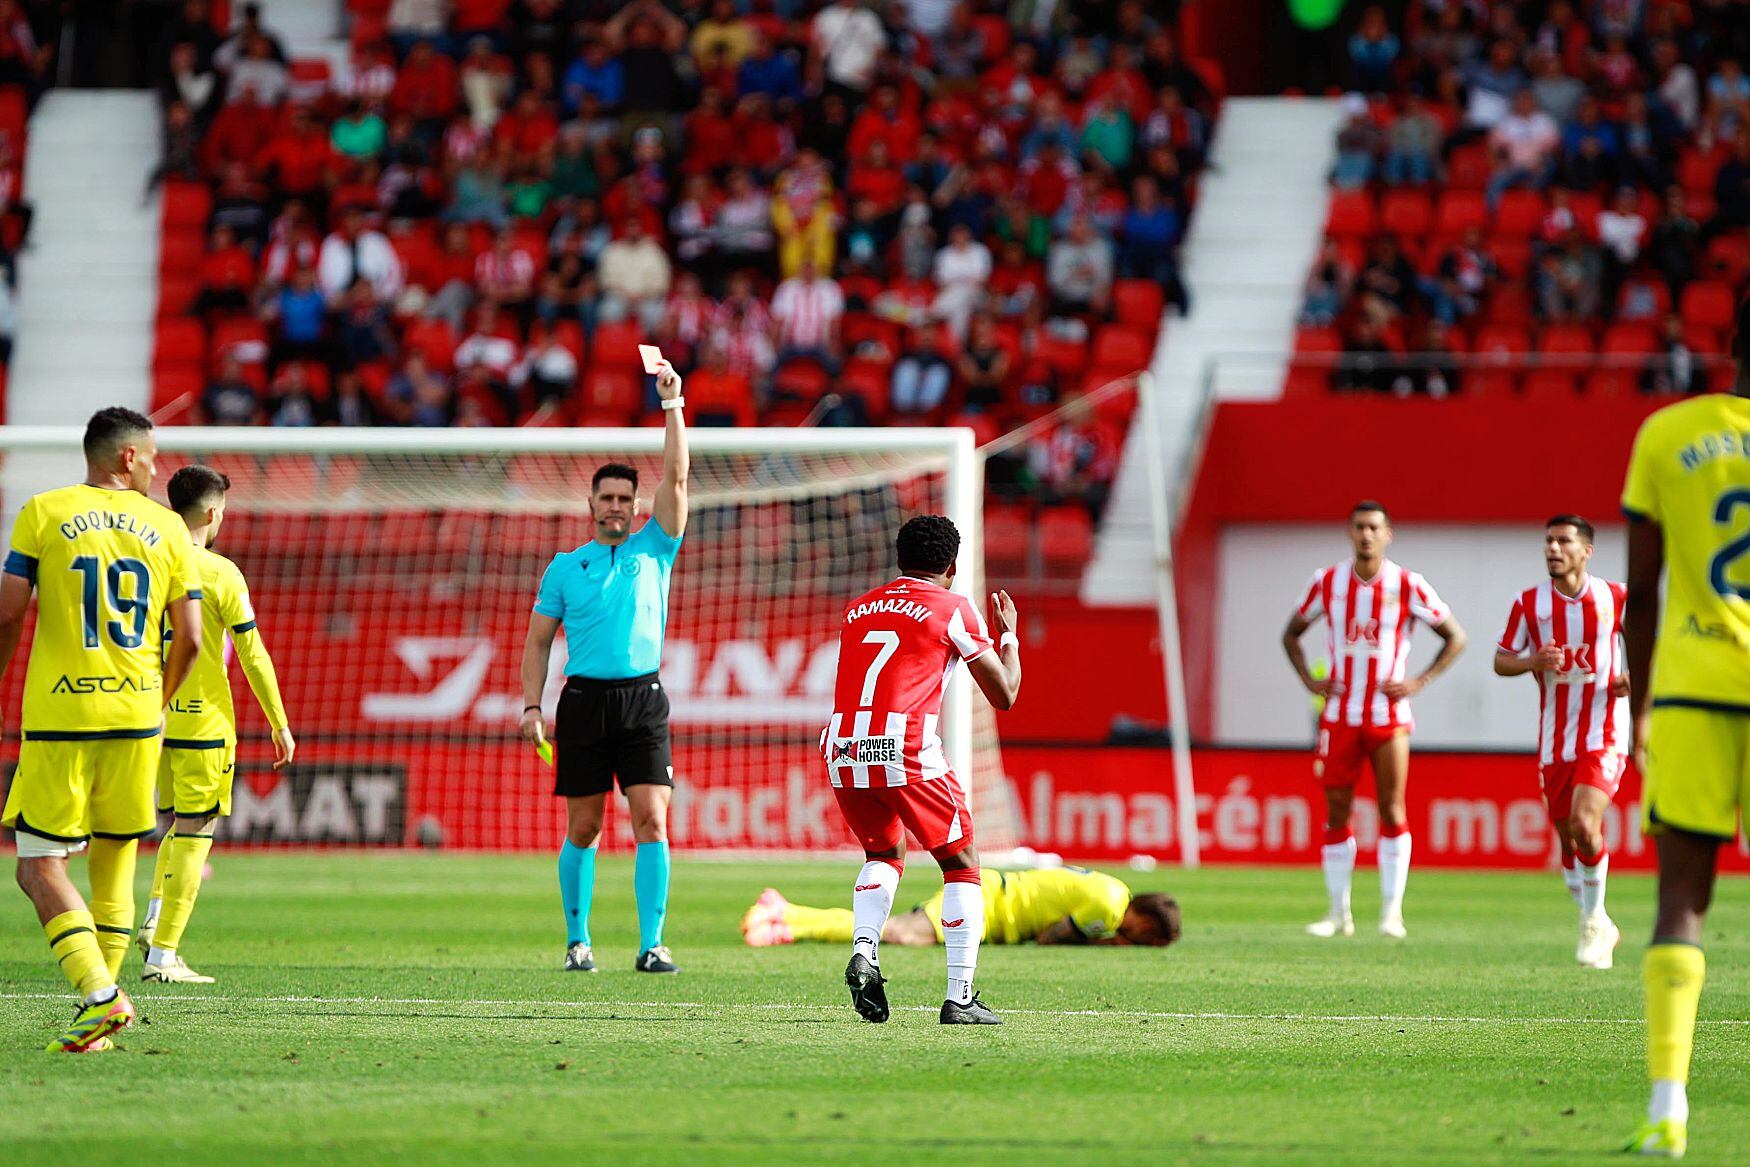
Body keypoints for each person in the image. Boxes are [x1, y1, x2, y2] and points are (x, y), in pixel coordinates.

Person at [0, 408, 203, 1051]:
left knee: (37, 865)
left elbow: (7, 611)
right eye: (150, 456)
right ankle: (100, 1020)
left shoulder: (44, 511)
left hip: (62, 715)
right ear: (125, 459)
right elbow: (192, 640)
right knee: (116, 864)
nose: (154, 466)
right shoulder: (169, 526)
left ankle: (100, 995)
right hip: (140, 719)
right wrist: (157, 701)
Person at [1617, 307, 1750, 1160]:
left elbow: (1643, 587)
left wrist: (1637, 704)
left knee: (1682, 902)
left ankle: (1669, 1106)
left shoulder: (1666, 432)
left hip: (1697, 692)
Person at [520, 362, 689, 975]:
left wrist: (672, 404)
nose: (616, 506)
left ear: (636, 504)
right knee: (585, 827)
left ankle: (651, 945)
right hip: (583, 702)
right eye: (607, 497)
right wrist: (532, 705)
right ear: (591, 503)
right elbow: (538, 642)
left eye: (625, 498)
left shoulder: (656, 547)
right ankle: (578, 941)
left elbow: (678, 473)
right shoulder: (565, 566)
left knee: (652, 817)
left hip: (643, 699)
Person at [822, 516, 1022, 1026]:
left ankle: (866, 950)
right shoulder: (954, 607)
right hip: (904, 745)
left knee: (884, 852)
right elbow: (1005, 695)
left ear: (899, 560)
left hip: (841, 745)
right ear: (953, 566)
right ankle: (960, 996)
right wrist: (1010, 640)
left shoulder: (858, 608)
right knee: (961, 863)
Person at [136, 467, 294, 983]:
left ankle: (155, 919)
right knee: (196, 830)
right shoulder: (220, 572)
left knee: (173, 824)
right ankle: (164, 955)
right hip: (203, 723)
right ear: (210, 512)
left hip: (149, 721)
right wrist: (279, 722)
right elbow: (252, 655)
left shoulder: (144, 561)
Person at [1281, 501, 1467, 940]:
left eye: (1374, 528)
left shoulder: (1408, 584)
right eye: (1360, 527)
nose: (1366, 535)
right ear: (1350, 533)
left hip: (1389, 715)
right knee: (1337, 811)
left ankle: (1390, 913)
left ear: (1388, 534)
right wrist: (1310, 679)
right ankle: (1337, 913)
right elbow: (1291, 633)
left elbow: (1455, 637)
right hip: (1340, 714)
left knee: (1392, 807)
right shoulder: (1327, 582)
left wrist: (1420, 680)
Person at [1492, 516, 1628, 969]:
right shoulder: (1529, 603)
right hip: (1556, 742)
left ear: (1586, 550)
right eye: (1548, 541)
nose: (1553, 548)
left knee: (1586, 825)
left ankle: (1591, 928)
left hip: (1604, 732)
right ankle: (1601, 918)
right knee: (1570, 845)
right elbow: (1501, 660)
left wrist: (1637, 679)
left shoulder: (1615, 597)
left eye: (1563, 541)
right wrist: (1533, 659)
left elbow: (1655, 642)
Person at [743, 867, 1180, 949]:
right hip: (988, 901)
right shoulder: (1107, 907)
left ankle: (788, 916)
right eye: (1147, 937)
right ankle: (787, 918)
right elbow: (1050, 939)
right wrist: (1111, 945)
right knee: (898, 933)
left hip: (991, 898)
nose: (1140, 941)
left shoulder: (1113, 891)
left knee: (898, 932)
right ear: (1143, 918)